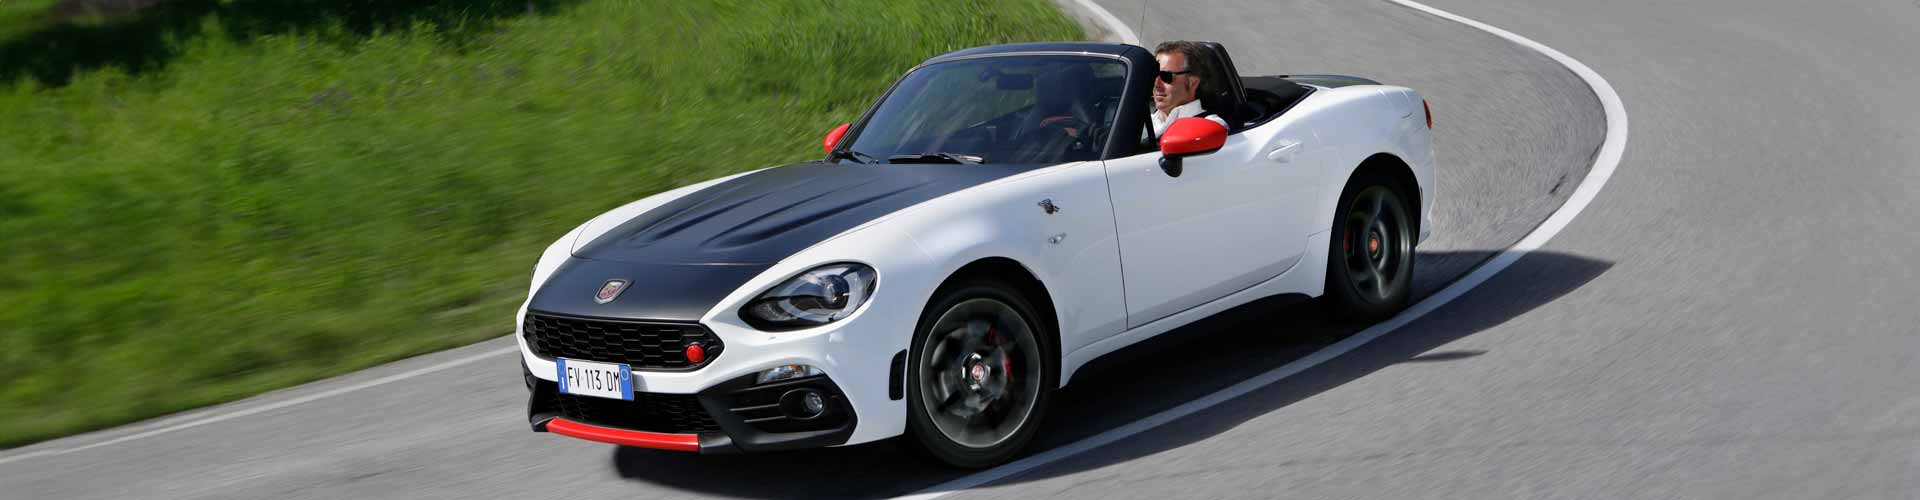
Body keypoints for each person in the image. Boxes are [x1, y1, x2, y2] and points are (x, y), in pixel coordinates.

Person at [1150, 40, 1228, 136]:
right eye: (1153, 74)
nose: (1157, 84)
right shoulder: (1139, 122)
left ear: (1193, 83)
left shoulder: (1211, 126)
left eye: (1166, 76)